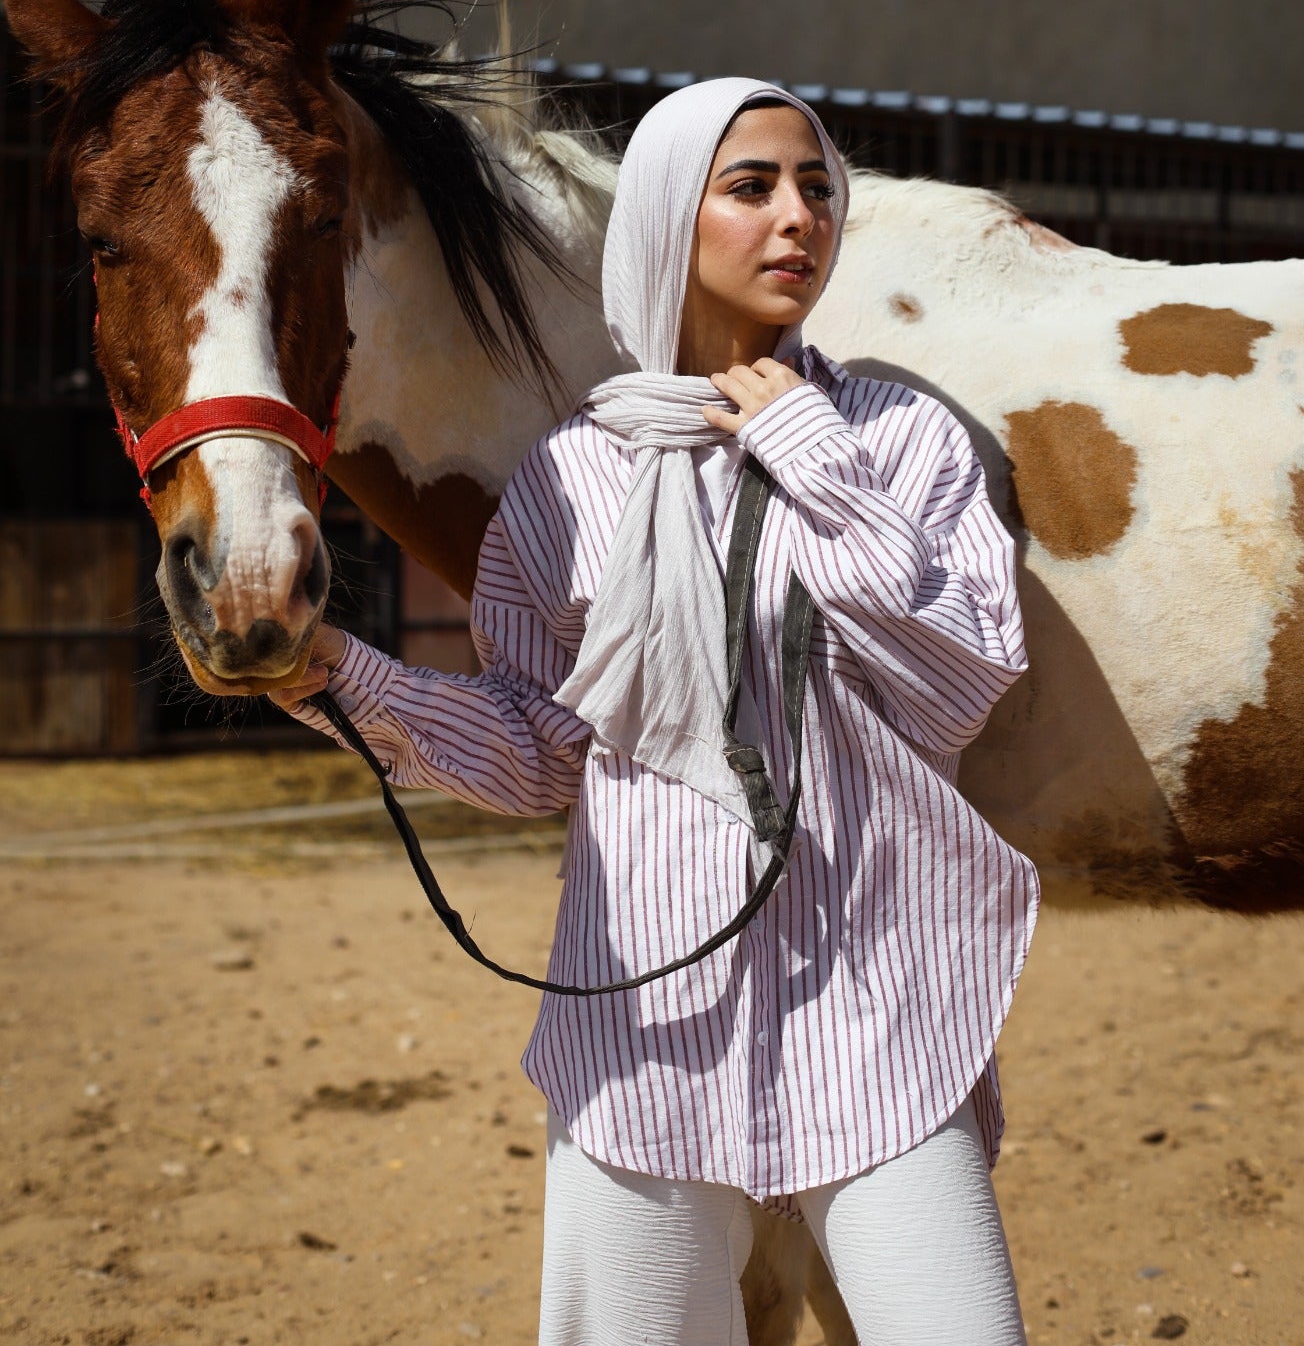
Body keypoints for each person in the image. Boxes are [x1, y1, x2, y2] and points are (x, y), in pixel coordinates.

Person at [272, 77, 1038, 1345]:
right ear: (664, 221)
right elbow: (542, 750)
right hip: (641, 1031)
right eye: (751, 188)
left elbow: (949, 681)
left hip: (882, 1016)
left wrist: (811, 456)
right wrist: (347, 678)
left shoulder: (900, 441)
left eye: (815, 187)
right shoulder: (571, 480)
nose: (799, 216)